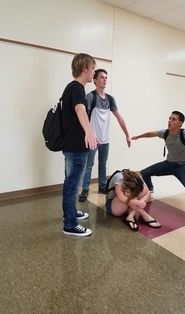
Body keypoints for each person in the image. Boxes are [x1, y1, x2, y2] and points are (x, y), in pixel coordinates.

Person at [78, 69, 131, 202]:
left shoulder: (110, 99)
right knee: (88, 165)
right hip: (92, 139)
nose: (105, 80)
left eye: (106, 77)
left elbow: (120, 118)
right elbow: (83, 116)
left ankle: (102, 186)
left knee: (103, 163)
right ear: (95, 80)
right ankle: (85, 189)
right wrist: (87, 134)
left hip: (105, 139)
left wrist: (127, 134)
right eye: (102, 77)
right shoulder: (90, 97)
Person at [62, 53, 97, 237]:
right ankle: (70, 224)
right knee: (72, 185)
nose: (93, 72)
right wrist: (89, 131)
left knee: (71, 182)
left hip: (71, 145)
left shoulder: (71, 88)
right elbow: (79, 108)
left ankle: (70, 213)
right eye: (92, 68)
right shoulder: (77, 88)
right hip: (76, 147)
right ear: (84, 68)